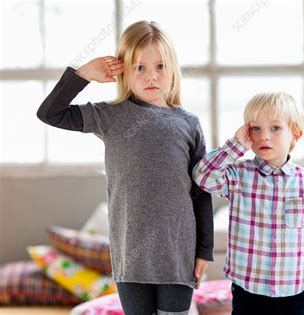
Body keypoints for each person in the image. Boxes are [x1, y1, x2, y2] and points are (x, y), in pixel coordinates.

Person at [37, 20, 214, 315]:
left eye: (160, 66)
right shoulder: (109, 116)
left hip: (177, 255)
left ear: (172, 69)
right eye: (139, 67)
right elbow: (49, 113)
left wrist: (204, 251)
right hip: (129, 256)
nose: (151, 77)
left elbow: (201, 190)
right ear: (123, 71)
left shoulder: (189, 124)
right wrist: (83, 75)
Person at [193, 92, 304, 314]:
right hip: (248, 288)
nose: (264, 136)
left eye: (275, 128)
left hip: (294, 291)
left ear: (295, 136)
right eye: (256, 129)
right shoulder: (238, 175)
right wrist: (235, 145)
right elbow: (202, 176)